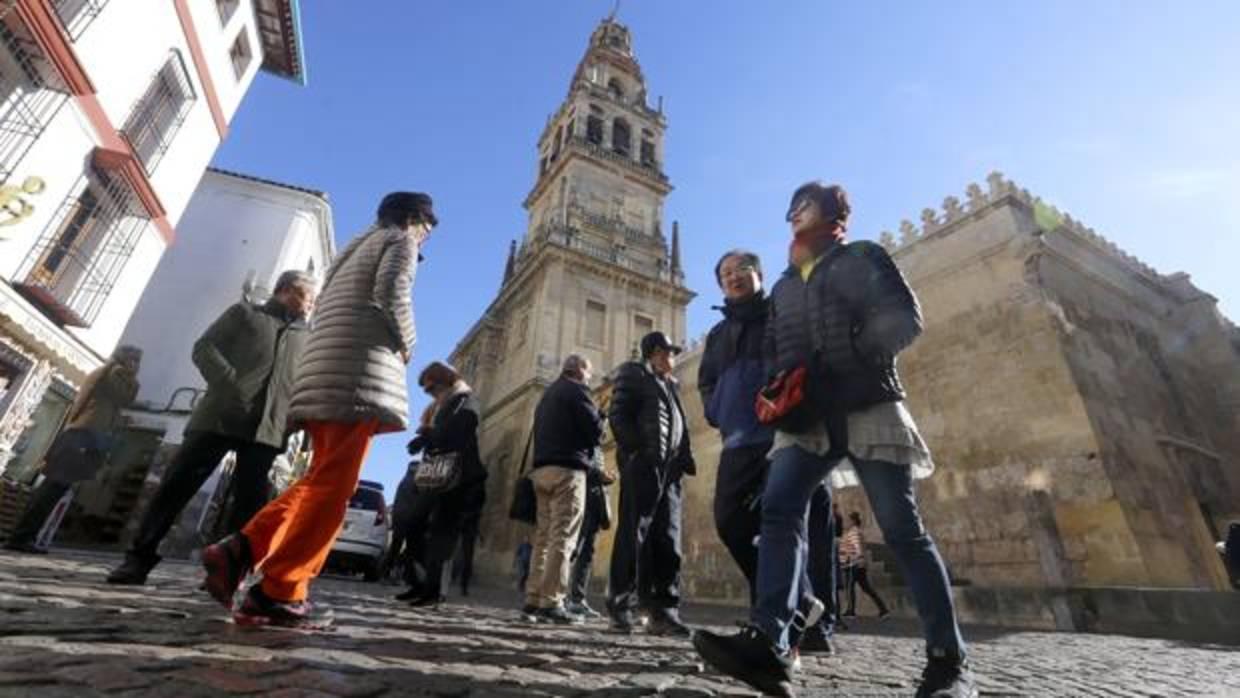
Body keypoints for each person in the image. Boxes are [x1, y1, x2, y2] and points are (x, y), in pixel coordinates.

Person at [693, 182, 976, 698]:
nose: (794, 214)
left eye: (804, 205)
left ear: (831, 212)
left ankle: (948, 661)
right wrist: (783, 388)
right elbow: (779, 347)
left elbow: (903, 320)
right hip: (806, 421)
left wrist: (842, 364)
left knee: (902, 529)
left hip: (866, 403)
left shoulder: (862, 256)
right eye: (791, 208)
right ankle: (770, 644)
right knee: (778, 514)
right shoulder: (782, 285)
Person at [200, 191, 435, 629]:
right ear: (416, 220)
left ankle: (242, 551)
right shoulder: (401, 241)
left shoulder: (352, 248)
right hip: (357, 373)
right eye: (427, 232)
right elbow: (391, 291)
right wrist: (407, 343)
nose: (424, 243)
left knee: (319, 480)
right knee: (332, 489)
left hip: (324, 373)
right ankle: (280, 591)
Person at [107, 271, 315, 584]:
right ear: (284, 290)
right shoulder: (245, 313)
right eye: (306, 295)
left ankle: (224, 573)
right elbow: (204, 347)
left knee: (247, 507)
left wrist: (293, 422)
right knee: (175, 489)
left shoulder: (308, 340)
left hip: (266, 432)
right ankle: (138, 560)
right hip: (217, 419)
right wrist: (230, 385)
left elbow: (305, 384)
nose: (311, 304)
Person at [698, 250, 837, 654]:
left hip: (785, 433)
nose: (732, 277)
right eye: (724, 273)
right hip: (739, 439)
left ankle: (793, 626)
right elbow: (707, 382)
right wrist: (717, 411)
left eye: (740, 269)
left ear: (757, 274)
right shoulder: (718, 335)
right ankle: (802, 602)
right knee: (730, 522)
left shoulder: (780, 310)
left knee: (793, 527)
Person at [4, 346, 141, 553]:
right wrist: (132, 377)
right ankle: (21, 536)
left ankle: (24, 535)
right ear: (124, 358)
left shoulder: (112, 373)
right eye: (133, 359)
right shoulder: (114, 373)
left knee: (54, 489)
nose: (136, 365)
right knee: (52, 489)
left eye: (138, 360)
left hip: (84, 437)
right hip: (81, 437)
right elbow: (125, 397)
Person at [606, 331, 696, 636]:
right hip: (644, 466)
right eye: (669, 351)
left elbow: (677, 427)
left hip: (670, 472)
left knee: (668, 541)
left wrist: (682, 460)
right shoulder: (634, 374)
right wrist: (637, 454)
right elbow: (618, 416)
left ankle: (663, 610)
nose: (673, 356)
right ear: (655, 353)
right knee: (634, 535)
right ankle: (622, 605)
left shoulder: (670, 385)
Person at [521, 354, 604, 624]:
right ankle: (552, 602)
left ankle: (533, 598)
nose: (590, 378)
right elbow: (595, 432)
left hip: (541, 472)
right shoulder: (577, 391)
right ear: (579, 370)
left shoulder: (547, 396)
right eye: (589, 373)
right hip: (567, 472)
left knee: (542, 539)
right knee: (563, 537)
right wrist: (601, 416)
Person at [398, 361, 486, 607]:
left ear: (445, 380)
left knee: (442, 533)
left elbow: (463, 429)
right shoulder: (442, 405)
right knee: (412, 524)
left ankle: (434, 590)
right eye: (427, 391)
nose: (430, 393)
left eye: (431, 388)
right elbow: (443, 433)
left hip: (458, 476)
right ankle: (421, 583)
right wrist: (424, 440)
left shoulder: (465, 399)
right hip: (438, 474)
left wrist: (430, 435)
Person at [565, 454, 614, 619]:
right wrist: (600, 475)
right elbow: (580, 460)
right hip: (578, 497)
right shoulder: (588, 434)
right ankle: (561, 597)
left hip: (594, 501)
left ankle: (577, 600)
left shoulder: (599, 444)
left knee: (587, 553)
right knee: (573, 549)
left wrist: (603, 476)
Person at [840, 511, 890, 618]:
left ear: (853, 521)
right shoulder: (856, 531)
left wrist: (856, 561)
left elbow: (857, 548)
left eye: (848, 520)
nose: (847, 522)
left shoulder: (854, 532)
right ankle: (883, 609)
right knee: (866, 588)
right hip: (858, 564)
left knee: (850, 587)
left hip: (855, 564)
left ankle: (851, 611)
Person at [380, 460, 419, 582]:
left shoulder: (406, 481)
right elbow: (414, 501)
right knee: (403, 547)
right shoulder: (411, 482)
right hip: (405, 519)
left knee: (398, 547)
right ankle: (388, 573)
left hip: (401, 518)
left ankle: (390, 573)